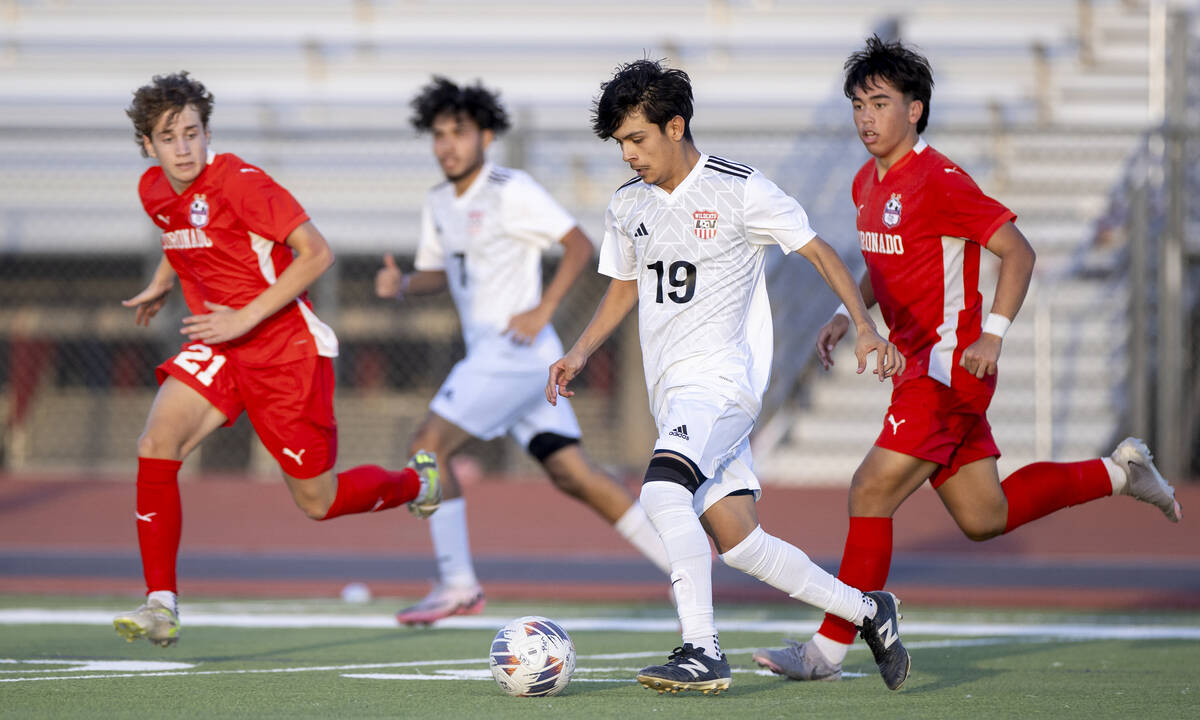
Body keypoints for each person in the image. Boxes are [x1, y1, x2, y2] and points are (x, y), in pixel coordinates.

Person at [753, 36, 1183, 683]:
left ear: (915, 110)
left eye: (880, 102)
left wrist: (996, 333)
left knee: (869, 489)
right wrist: (850, 315)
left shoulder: (941, 179)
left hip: (950, 371)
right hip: (919, 372)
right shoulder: (865, 182)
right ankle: (1121, 472)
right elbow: (883, 263)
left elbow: (1020, 251)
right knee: (987, 517)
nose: (866, 117)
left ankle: (827, 650)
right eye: (857, 105)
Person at [547, 59, 912, 695]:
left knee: (661, 495)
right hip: (675, 395)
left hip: (720, 385)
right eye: (621, 144)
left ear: (675, 125)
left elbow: (821, 252)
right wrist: (579, 351)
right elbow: (626, 285)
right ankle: (868, 611)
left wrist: (865, 325)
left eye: (637, 139)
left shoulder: (739, 188)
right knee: (739, 542)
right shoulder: (627, 204)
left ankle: (701, 649)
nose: (628, 155)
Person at [113, 72, 441, 648]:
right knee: (154, 443)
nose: (183, 148)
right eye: (169, 138)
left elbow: (317, 253)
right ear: (148, 145)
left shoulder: (241, 183)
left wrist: (243, 317)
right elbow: (179, 232)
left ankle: (417, 483)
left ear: (207, 132)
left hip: (284, 350)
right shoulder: (153, 191)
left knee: (318, 501)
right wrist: (165, 279)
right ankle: (160, 602)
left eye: (192, 133)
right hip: (218, 342)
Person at [376, 76, 671, 625]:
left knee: (428, 446)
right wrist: (405, 286)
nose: (447, 145)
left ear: (485, 136)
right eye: (438, 135)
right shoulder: (439, 201)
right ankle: (682, 567)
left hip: (511, 354)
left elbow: (578, 245)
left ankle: (458, 585)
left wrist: (543, 310)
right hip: (512, 361)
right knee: (573, 475)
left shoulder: (510, 188)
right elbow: (439, 273)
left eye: (458, 133)